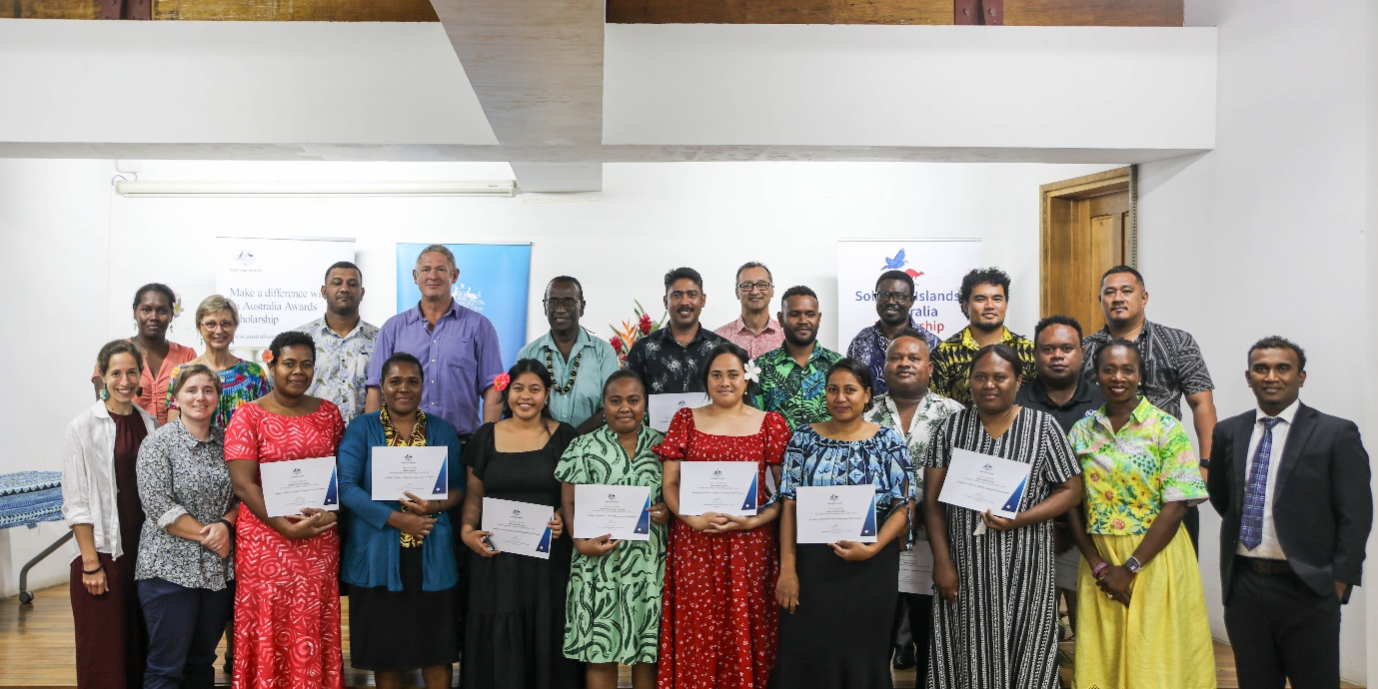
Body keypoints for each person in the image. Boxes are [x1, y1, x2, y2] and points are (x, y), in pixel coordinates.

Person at [1207, 336, 1372, 689]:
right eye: (1261, 368)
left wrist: (1338, 581)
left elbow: (1356, 514)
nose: (1271, 376)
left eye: (1283, 368)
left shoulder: (1335, 432)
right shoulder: (1228, 431)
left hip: (1308, 587)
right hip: (1245, 587)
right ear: (1248, 377)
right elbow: (1223, 498)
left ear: (1301, 377)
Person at [923, 344, 1083, 689]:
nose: (989, 384)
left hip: (1027, 566)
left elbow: (1071, 490)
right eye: (980, 377)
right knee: (963, 651)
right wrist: (942, 562)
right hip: (965, 565)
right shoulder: (951, 430)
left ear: (1018, 380)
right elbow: (933, 503)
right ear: (970, 380)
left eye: (999, 377)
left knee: (1029, 651)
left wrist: (1020, 518)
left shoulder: (1043, 428)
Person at [1066, 340, 1214, 689]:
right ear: (1096, 376)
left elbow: (1177, 504)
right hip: (1099, 560)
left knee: (1156, 654)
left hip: (1154, 557)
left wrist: (1131, 567)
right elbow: (1071, 501)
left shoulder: (1166, 428)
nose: (1118, 377)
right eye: (1109, 369)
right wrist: (1098, 565)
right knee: (1105, 652)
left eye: (1127, 369)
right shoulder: (1080, 432)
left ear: (1140, 375)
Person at [771, 359, 915, 689]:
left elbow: (903, 506)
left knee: (864, 653)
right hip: (812, 565)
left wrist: (873, 549)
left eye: (850, 390)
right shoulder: (803, 439)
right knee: (804, 650)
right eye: (832, 390)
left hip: (871, 564)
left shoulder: (888, 440)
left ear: (867, 395)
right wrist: (789, 569)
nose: (840, 397)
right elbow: (789, 505)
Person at [656, 342, 789, 689]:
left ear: (748, 378)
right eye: (716, 375)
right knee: (697, 630)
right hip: (695, 542)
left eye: (733, 374)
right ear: (706, 380)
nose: (725, 381)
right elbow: (670, 483)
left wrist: (754, 521)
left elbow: (783, 493)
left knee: (747, 628)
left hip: (751, 546)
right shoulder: (686, 419)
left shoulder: (769, 424)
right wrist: (691, 518)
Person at [225, 331, 346, 689]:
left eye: (306, 364)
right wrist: (284, 526)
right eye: (289, 363)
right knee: (268, 619)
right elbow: (243, 484)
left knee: (312, 619)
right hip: (265, 541)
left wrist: (333, 514)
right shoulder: (248, 416)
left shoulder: (329, 414)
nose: (298, 372)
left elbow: (343, 474)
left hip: (318, 539)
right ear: (271, 362)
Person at [337, 352, 465, 689]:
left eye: (412, 381)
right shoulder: (361, 429)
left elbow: (458, 490)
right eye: (395, 381)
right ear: (382, 385)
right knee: (386, 654)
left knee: (437, 652)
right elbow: (346, 488)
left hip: (431, 556)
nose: (403, 388)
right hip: (378, 557)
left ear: (422, 386)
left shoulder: (441, 430)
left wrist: (436, 502)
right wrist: (397, 519)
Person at [459, 359, 578, 689]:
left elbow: (572, 497)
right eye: (518, 388)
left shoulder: (564, 436)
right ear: (506, 392)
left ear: (547, 394)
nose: (526, 397)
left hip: (547, 562)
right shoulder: (486, 436)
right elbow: (473, 494)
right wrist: (467, 531)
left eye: (535, 389)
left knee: (546, 630)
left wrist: (561, 517)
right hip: (497, 560)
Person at [1082, 265, 1216, 552]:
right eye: (1110, 292)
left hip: (1166, 472)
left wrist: (1206, 464)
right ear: (1100, 300)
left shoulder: (1178, 342)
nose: (1118, 298)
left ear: (1144, 298)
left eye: (1126, 291)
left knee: (1176, 561)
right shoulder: (1086, 349)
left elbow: (1201, 403)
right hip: (1106, 481)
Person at [556, 370, 672, 689]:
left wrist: (665, 511)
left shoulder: (663, 446)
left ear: (645, 404)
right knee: (600, 652)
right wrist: (580, 543)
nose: (625, 407)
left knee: (647, 655)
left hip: (649, 566)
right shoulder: (581, 446)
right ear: (603, 405)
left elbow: (673, 498)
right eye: (615, 400)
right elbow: (569, 501)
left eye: (633, 400)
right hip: (596, 564)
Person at [863, 329, 963, 680]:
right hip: (876, 546)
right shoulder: (865, 413)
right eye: (896, 358)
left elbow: (964, 478)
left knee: (931, 640)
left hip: (933, 546)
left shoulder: (955, 414)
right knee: (877, 638)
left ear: (930, 368)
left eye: (913, 358)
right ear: (885, 366)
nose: (904, 363)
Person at [135, 364, 238, 689]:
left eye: (208, 390)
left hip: (216, 573)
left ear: (218, 398)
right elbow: (159, 507)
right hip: (167, 572)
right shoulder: (157, 444)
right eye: (191, 390)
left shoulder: (229, 441)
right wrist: (213, 537)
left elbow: (242, 495)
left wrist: (226, 525)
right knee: (166, 668)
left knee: (201, 663)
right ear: (176, 397)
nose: (200, 397)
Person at [64, 339, 159, 689]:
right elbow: (75, 500)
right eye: (115, 373)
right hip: (103, 551)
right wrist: (90, 562)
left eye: (131, 372)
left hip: (145, 551)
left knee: (139, 639)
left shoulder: (150, 424)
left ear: (141, 376)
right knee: (102, 645)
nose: (124, 380)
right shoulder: (82, 426)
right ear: (102, 376)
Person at [1014, 315, 1106, 633]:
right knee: (1033, 628)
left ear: (1082, 352)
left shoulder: (1104, 401)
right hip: (1028, 533)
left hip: (1092, 537)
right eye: (1048, 349)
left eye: (1066, 348)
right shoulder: (1016, 402)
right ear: (1035, 355)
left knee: (1090, 629)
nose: (1057, 355)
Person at [367, 244, 504, 435]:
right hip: (402, 443)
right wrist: (374, 440)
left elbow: (494, 387)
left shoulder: (479, 327)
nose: (433, 276)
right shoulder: (393, 328)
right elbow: (375, 387)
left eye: (441, 269)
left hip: (462, 442)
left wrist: (489, 443)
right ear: (415, 277)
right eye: (426, 269)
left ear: (454, 276)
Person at [517, 276, 621, 431]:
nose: (560, 309)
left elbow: (612, 406)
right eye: (553, 301)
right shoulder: (528, 354)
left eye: (568, 301)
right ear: (545, 307)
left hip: (593, 447)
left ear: (582, 307)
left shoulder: (604, 353)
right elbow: (522, 405)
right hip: (541, 447)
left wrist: (572, 440)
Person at [92, 283, 196, 425]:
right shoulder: (114, 355)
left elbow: (195, 405)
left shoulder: (187, 357)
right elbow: (102, 408)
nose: (154, 317)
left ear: (172, 314)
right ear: (135, 312)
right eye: (146, 310)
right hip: (126, 440)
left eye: (162, 311)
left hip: (175, 444)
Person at [931, 268, 1036, 406]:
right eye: (980, 299)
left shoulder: (1028, 351)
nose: (989, 306)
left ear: (1006, 304)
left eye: (997, 299)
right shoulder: (945, 353)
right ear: (965, 306)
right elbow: (938, 407)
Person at [167, 295, 271, 428]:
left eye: (226, 323)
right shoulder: (181, 373)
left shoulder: (253, 373)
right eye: (211, 324)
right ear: (200, 327)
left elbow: (267, 424)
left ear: (235, 327)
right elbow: (172, 431)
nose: (219, 330)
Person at [296, 261, 379, 425]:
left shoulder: (381, 339)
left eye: (352, 284)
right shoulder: (301, 338)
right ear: (324, 291)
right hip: (312, 438)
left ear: (362, 293)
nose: (345, 289)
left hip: (362, 441)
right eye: (337, 283)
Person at [624, 267, 728, 394]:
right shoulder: (643, 349)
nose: (684, 302)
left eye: (692, 295)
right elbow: (627, 394)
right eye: (676, 295)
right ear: (665, 301)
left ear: (703, 300)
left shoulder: (721, 348)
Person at [753, 286, 843, 430]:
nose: (803, 320)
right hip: (778, 452)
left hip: (829, 451)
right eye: (795, 314)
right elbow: (753, 421)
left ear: (819, 318)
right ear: (781, 319)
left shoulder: (838, 364)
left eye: (810, 314)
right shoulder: (761, 366)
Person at [847, 270, 942, 395]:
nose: (891, 301)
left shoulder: (931, 343)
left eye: (899, 296)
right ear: (875, 298)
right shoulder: (860, 341)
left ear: (911, 301)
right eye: (883, 295)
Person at [714, 261, 784, 359]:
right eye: (747, 285)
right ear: (737, 293)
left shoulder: (786, 337)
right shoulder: (718, 339)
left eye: (762, 284)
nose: (755, 291)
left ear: (772, 291)